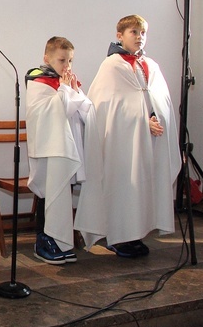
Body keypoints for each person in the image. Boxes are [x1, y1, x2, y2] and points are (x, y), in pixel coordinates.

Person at [74, 14, 180, 257]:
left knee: (143, 186)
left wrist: (156, 118)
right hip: (121, 144)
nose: (139, 37)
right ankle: (118, 237)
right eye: (134, 32)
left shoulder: (151, 65)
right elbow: (109, 107)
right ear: (119, 35)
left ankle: (135, 234)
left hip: (148, 142)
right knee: (123, 185)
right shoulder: (112, 66)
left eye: (143, 33)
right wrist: (142, 122)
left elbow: (159, 100)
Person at [25, 36, 101, 265]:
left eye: (70, 61)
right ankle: (44, 240)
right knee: (49, 192)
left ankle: (60, 241)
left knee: (62, 191)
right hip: (48, 149)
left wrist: (74, 91)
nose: (67, 66)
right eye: (62, 60)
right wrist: (67, 91)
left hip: (66, 149)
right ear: (46, 58)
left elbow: (86, 111)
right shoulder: (38, 82)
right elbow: (50, 113)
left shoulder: (64, 82)